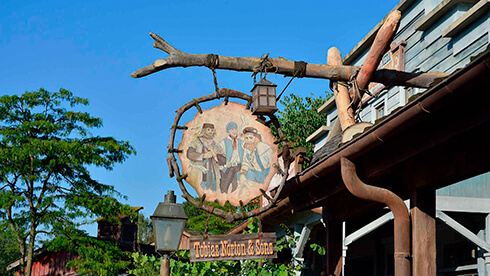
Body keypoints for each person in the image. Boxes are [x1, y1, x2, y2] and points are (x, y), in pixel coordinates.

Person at [186, 123, 225, 191]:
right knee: (202, 188)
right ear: (203, 131)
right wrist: (203, 155)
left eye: (212, 130)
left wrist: (215, 154)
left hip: (213, 172)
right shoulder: (196, 141)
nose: (211, 132)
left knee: (214, 188)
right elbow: (190, 154)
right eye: (208, 130)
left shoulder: (214, 143)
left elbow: (222, 155)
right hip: (200, 170)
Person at [218, 122, 244, 193]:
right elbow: (218, 153)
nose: (234, 131)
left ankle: (226, 191)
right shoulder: (224, 142)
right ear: (228, 131)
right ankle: (224, 191)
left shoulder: (240, 142)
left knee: (234, 174)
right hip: (226, 166)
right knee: (228, 175)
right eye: (232, 129)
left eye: (235, 129)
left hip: (238, 165)